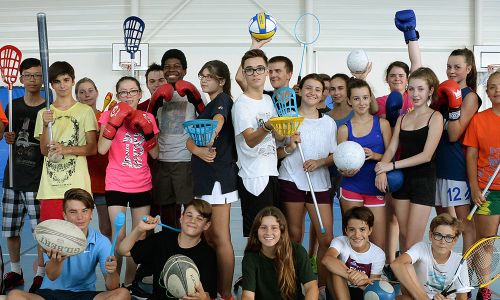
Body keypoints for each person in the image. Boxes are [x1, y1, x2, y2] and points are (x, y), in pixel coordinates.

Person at [6, 188, 130, 300]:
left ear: (91, 214)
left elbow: (112, 287)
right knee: (14, 296)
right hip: (50, 294)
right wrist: (57, 262)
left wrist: (112, 272)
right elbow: (52, 276)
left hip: (84, 294)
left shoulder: (101, 241)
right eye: (73, 212)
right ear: (65, 215)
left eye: (84, 211)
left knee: (122, 294)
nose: (80, 217)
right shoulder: (52, 237)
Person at [97, 76, 159, 288]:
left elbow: (156, 154)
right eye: (123, 92)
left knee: (139, 236)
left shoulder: (149, 116)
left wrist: (148, 131)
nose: (128, 96)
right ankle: (114, 282)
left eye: (132, 91)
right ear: (117, 96)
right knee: (119, 235)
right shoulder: (108, 115)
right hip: (116, 183)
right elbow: (101, 149)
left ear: (140, 94)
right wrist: (113, 123)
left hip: (142, 184)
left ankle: (130, 283)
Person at [277, 73, 336, 292]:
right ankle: (291, 283)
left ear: (323, 94)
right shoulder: (288, 119)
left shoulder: (328, 123)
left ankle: (320, 287)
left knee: (326, 238)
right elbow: (276, 154)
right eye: (308, 88)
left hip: (318, 183)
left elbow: (334, 155)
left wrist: (320, 162)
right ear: (299, 90)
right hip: (291, 180)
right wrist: (290, 146)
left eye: (318, 89)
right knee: (294, 236)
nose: (312, 93)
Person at [375, 67, 444, 252]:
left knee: (413, 242)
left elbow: (426, 155)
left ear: (430, 91)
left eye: (421, 89)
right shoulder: (402, 119)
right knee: (404, 237)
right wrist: (382, 168)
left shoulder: (435, 117)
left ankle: (416, 282)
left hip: (423, 180)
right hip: (402, 180)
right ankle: (406, 281)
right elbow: (391, 148)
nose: (415, 94)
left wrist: (391, 165)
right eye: (411, 89)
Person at [186, 60, 237, 299]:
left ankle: (225, 293)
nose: (203, 80)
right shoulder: (206, 106)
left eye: (209, 76)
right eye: (201, 75)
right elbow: (190, 141)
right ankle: (214, 288)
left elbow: (219, 120)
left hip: (218, 178)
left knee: (220, 235)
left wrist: (211, 136)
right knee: (208, 236)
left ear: (221, 81)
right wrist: (196, 149)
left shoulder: (222, 101)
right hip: (204, 179)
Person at [2, 58, 46, 293]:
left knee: (39, 232)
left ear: (43, 79)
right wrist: (7, 136)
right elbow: (5, 134)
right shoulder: (12, 105)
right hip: (12, 178)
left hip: (37, 180)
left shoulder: (47, 108)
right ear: (20, 78)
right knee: (10, 230)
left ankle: (40, 273)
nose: (33, 79)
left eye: (38, 75)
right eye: (28, 75)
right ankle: (16, 271)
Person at [148, 49, 205, 229]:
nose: (172, 70)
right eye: (167, 67)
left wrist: (196, 99)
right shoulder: (158, 96)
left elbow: (206, 122)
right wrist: (155, 102)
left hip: (185, 160)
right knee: (167, 212)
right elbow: (147, 126)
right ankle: (170, 247)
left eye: (177, 66)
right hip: (162, 160)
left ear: (185, 70)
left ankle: (188, 247)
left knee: (189, 211)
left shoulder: (194, 94)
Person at [118, 199, 218, 300]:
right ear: (181, 218)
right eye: (189, 215)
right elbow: (123, 250)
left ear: (206, 225)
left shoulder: (208, 255)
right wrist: (139, 228)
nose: (192, 221)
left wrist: (204, 298)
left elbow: (209, 294)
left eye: (199, 218)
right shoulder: (162, 239)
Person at [34, 61, 97, 220]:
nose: (62, 85)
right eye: (57, 81)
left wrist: (66, 149)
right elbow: (44, 151)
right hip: (50, 188)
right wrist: (46, 123)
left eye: (66, 80)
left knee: (76, 237)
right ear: (51, 85)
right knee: (50, 237)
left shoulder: (85, 111)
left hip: (78, 186)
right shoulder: (43, 113)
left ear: (73, 81)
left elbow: (92, 148)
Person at [433, 48, 481, 254]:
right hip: (437, 164)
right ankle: (444, 268)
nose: (451, 71)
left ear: (468, 69)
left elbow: (453, 135)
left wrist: (453, 103)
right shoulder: (444, 92)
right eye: (449, 66)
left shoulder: (470, 97)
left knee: (464, 225)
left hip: (457, 167)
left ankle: (466, 275)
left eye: (457, 67)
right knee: (441, 224)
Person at [232, 49, 283, 237]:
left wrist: (287, 132)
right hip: (254, 177)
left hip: (271, 173)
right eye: (250, 70)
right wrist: (269, 127)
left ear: (267, 71)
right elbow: (251, 140)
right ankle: (252, 268)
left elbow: (276, 137)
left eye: (260, 68)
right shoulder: (241, 104)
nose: (255, 73)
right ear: (244, 74)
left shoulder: (269, 100)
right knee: (257, 237)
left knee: (273, 236)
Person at [338, 79, 392, 250]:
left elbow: (390, 157)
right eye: (356, 99)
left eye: (365, 98)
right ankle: (351, 276)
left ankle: (374, 277)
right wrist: (344, 171)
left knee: (378, 243)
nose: (361, 103)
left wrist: (375, 155)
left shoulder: (382, 124)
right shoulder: (344, 129)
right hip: (351, 186)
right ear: (349, 101)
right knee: (353, 240)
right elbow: (339, 162)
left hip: (375, 187)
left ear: (370, 99)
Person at [462, 70, 500, 300]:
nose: (498, 90)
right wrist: (474, 188)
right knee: (485, 242)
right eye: (493, 86)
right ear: (487, 92)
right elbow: (471, 156)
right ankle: (484, 289)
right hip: (488, 191)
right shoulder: (479, 120)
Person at [242, 207, 319, 300]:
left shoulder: (297, 251)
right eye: (263, 227)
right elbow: (248, 295)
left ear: (281, 231)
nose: (268, 232)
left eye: (274, 228)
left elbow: (311, 287)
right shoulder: (250, 258)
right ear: (256, 231)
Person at [390, 213, 471, 300]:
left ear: (454, 240)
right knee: (406, 266)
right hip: (417, 297)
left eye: (448, 237)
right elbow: (396, 264)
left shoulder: (459, 261)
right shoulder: (422, 248)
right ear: (431, 236)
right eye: (438, 235)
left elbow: (462, 298)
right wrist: (423, 298)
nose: (442, 241)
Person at [75, 77, 111, 241]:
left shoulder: (106, 117)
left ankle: (109, 262)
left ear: (97, 93)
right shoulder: (74, 119)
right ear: (77, 96)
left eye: (90, 90)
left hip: (103, 179)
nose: (87, 95)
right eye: (82, 92)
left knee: (106, 227)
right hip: (81, 179)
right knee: (78, 227)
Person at [322, 206, 385, 300]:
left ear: (370, 230)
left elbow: (372, 285)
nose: (357, 235)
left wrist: (363, 281)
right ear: (346, 230)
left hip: (361, 290)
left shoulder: (378, 254)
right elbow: (327, 260)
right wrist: (352, 276)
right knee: (335, 271)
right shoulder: (340, 241)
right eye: (352, 229)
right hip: (338, 289)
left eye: (362, 229)